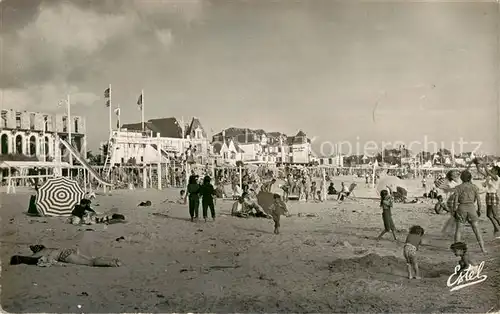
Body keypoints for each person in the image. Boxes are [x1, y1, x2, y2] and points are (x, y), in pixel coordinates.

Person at [452, 170, 487, 253]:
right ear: (470, 178)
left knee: (458, 230)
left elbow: (455, 202)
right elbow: (479, 201)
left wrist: (454, 211)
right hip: (471, 208)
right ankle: (483, 249)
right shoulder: (474, 187)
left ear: (461, 178)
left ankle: (457, 250)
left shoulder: (458, 188)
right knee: (476, 230)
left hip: (461, 208)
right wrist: (479, 210)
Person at [10, 244, 121, 267]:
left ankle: (112, 263)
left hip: (64, 256)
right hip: (69, 251)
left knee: (90, 263)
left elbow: (31, 259)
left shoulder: (41, 253)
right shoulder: (48, 248)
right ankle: (112, 260)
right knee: (91, 259)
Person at [476, 161, 500, 239]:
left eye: (492, 169)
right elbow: (480, 171)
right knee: (489, 215)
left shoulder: (497, 178)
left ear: (496, 171)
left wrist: (484, 164)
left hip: (493, 196)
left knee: (495, 215)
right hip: (488, 196)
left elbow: (488, 172)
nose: (491, 170)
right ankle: (496, 228)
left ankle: (497, 227)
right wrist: (476, 163)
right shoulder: (489, 177)